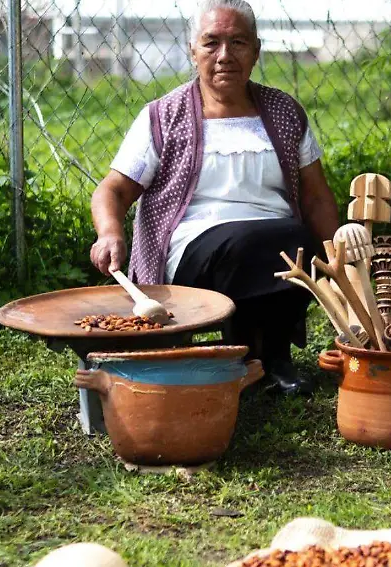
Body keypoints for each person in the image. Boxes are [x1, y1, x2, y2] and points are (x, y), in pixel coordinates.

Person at [89, 0, 340, 396]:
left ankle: (269, 358)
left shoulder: (285, 112)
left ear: (256, 51)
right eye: (212, 43)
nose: (225, 56)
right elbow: (113, 189)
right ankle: (243, 356)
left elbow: (316, 198)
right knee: (251, 244)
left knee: (297, 243)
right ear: (193, 51)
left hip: (281, 238)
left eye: (238, 42)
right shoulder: (163, 115)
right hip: (195, 249)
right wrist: (109, 233)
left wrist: (340, 256)